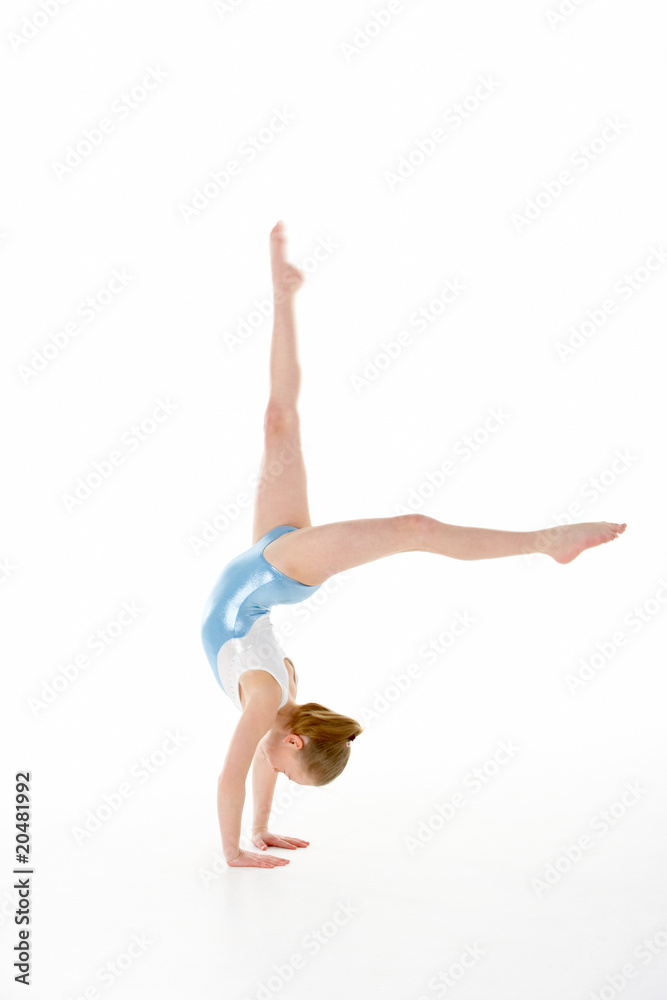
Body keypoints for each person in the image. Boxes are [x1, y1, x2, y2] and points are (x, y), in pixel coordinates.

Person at [201, 221, 627, 869]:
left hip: (269, 564)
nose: (279, 776)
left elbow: (245, 770)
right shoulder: (275, 695)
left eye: (287, 781)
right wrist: (242, 842)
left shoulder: (273, 700)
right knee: (408, 527)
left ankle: (282, 292)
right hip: (277, 571)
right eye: (291, 773)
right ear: (292, 737)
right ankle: (545, 542)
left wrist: (249, 840)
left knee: (284, 425)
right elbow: (245, 772)